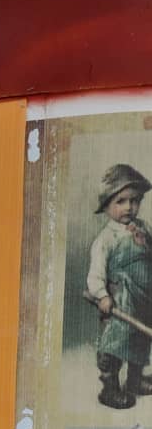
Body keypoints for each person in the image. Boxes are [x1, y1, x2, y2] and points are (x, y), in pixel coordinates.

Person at [87, 163, 152, 410]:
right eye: (121, 201)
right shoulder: (106, 239)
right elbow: (95, 276)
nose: (129, 207)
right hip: (119, 304)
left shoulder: (143, 228)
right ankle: (110, 388)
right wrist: (102, 296)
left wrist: (145, 242)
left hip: (144, 300)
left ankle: (135, 381)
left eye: (134, 201)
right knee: (114, 345)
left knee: (140, 342)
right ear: (106, 206)